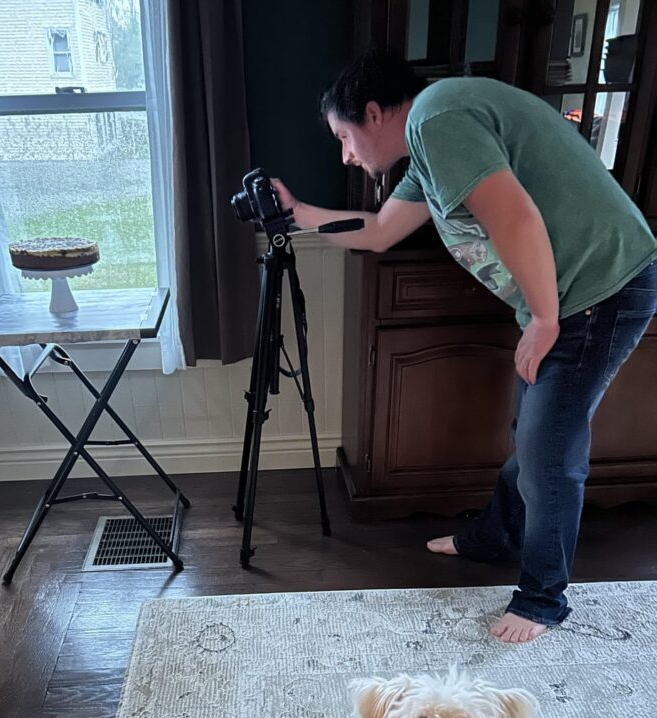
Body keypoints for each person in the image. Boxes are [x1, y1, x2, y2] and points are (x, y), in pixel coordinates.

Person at [272, 49, 657, 645]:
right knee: (534, 429)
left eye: (344, 137)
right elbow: (377, 233)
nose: (345, 154)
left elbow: (518, 218)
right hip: (575, 294)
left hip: (600, 289)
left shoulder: (437, 118)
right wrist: (294, 213)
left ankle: (542, 600)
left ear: (373, 113)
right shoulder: (431, 141)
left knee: (549, 447)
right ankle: (493, 536)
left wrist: (546, 318)